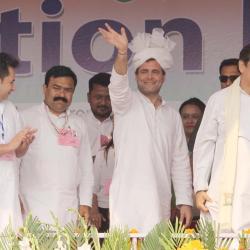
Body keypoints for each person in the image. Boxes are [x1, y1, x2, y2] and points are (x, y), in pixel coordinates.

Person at [99, 24, 193, 234]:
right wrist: (122, 53)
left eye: (155, 72)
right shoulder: (126, 103)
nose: (149, 76)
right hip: (127, 201)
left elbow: (179, 162)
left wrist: (185, 201)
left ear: (163, 77)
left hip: (159, 200)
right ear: (136, 76)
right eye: (144, 72)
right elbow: (117, 84)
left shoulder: (171, 115)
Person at [19, 65, 93, 225]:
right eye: (56, 88)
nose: (62, 94)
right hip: (32, 207)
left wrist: (86, 203)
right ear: (44, 88)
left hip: (69, 210)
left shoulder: (79, 124)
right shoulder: (25, 119)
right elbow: (13, 164)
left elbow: (86, 168)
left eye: (68, 90)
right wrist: (14, 198)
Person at [194, 45, 250, 232]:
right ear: (242, 66)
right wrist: (200, 186)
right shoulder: (219, 100)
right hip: (225, 192)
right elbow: (204, 145)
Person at [0, 52, 36, 231]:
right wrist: (10, 145)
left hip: (8, 193)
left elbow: (16, 153)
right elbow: (9, 147)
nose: (13, 88)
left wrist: (23, 145)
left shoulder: (10, 109)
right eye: (11, 82)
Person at [83, 73, 113, 158]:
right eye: (98, 97)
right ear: (89, 97)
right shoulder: (77, 125)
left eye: (108, 98)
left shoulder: (122, 126)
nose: (103, 103)